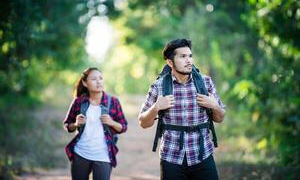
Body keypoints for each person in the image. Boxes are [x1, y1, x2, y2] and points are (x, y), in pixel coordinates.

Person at [138, 38, 226, 180]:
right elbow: (143, 122)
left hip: (203, 156)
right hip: (171, 158)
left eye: (190, 56)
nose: (189, 60)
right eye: (183, 56)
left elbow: (220, 117)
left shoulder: (205, 83)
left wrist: (214, 105)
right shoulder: (159, 86)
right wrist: (156, 108)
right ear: (170, 62)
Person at [63, 67, 127, 180]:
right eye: (93, 79)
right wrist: (76, 124)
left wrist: (111, 123)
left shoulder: (113, 102)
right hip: (80, 154)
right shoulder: (78, 102)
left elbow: (123, 127)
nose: (98, 82)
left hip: (103, 155)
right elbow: (67, 125)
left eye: (101, 78)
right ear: (85, 83)